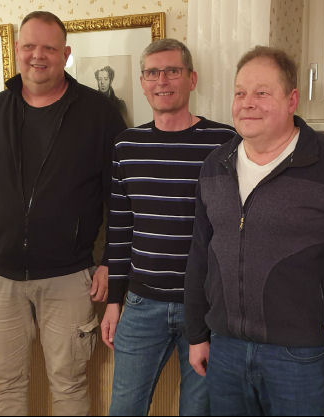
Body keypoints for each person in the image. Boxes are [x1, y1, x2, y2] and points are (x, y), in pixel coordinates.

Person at [184, 46, 324, 416]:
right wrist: (196, 333)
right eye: (240, 93)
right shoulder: (215, 164)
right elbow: (199, 255)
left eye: (262, 92)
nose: (247, 103)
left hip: (300, 355)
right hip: (225, 348)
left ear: (292, 100)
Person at [0, 11, 126, 416]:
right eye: (29, 46)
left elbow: (119, 196)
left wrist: (109, 262)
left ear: (65, 53)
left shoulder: (99, 113)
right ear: (17, 50)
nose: (37, 55)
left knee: (69, 383)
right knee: (5, 383)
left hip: (70, 277)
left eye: (49, 48)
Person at [99, 38, 236, 416]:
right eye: (152, 73)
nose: (162, 80)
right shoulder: (126, 146)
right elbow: (120, 229)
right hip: (142, 303)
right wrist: (114, 301)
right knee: (124, 408)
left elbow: (234, 227)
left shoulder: (225, 142)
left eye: (172, 71)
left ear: (192, 79)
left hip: (207, 307)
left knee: (199, 410)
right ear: (142, 82)